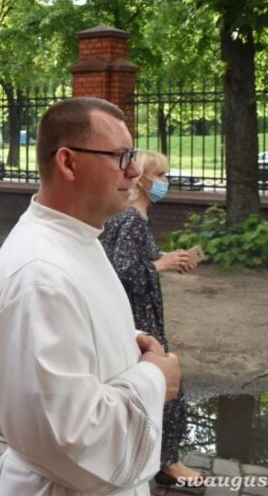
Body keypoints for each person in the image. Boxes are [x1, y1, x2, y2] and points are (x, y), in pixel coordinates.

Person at [0, 97, 181, 496]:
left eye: (133, 155)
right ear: (68, 162)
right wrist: (155, 378)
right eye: (121, 156)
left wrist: (127, 343)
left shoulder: (78, 238)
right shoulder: (41, 275)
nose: (134, 170)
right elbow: (73, 436)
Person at [102, 150, 204, 488]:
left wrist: (167, 258)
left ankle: (154, 457)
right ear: (142, 180)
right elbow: (121, 270)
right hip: (139, 316)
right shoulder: (132, 219)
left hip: (135, 313)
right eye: (159, 175)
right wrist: (160, 265)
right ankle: (167, 463)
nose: (164, 182)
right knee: (165, 382)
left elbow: (132, 259)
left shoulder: (129, 216)